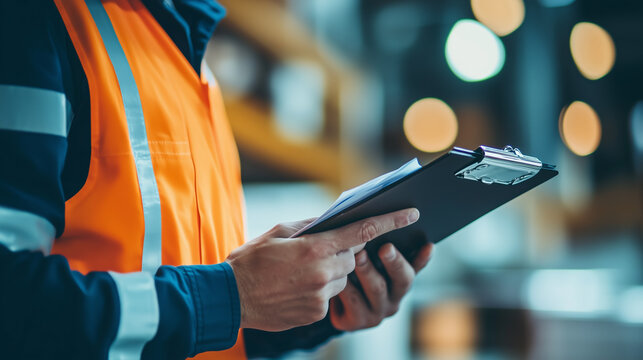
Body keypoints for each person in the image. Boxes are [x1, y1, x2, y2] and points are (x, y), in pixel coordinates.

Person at [0, 1, 434, 359]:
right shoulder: (35, 23)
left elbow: (189, 325)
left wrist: (306, 302)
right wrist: (233, 295)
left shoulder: (186, 57)